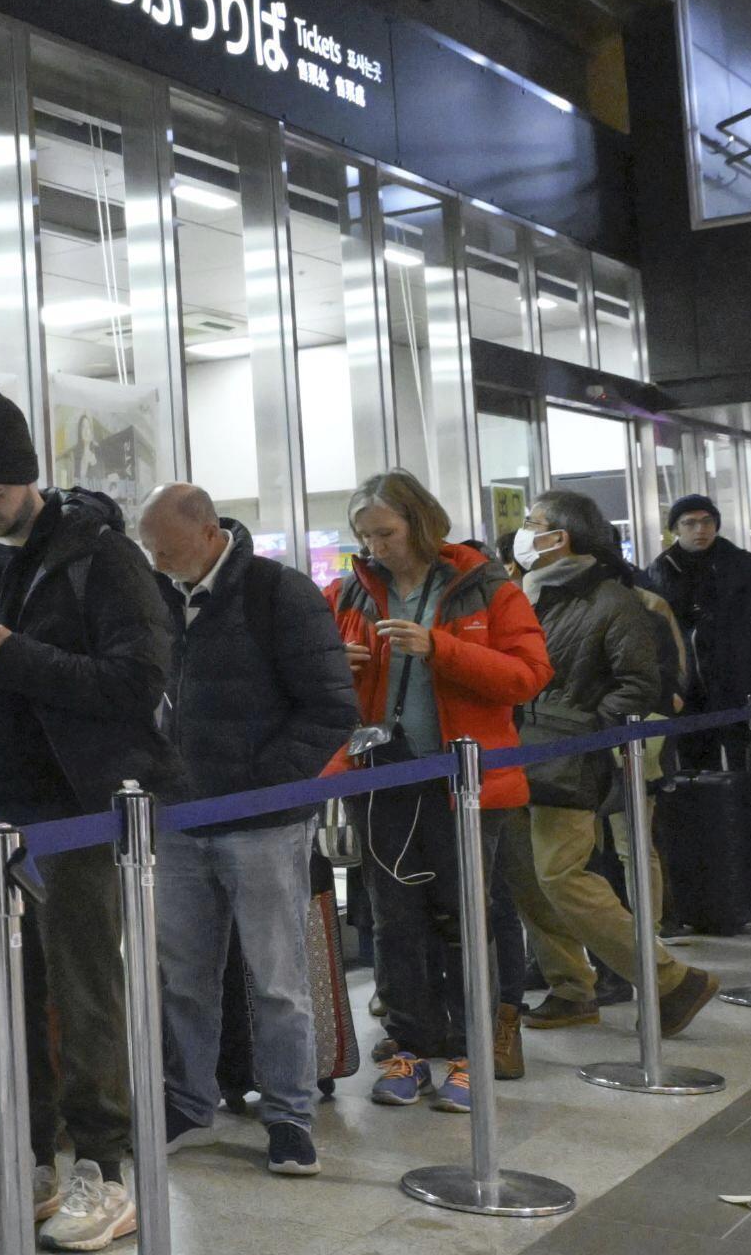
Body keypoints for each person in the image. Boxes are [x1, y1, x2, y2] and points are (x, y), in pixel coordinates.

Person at [0, 388, 180, 1250]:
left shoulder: (101, 554)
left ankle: (107, 1168)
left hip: (78, 810)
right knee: (1, 1001)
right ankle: (29, 1161)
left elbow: (137, 681)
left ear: (31, 479)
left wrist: (13, 656)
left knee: (88, 993)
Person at [136, 484, 354, 1176]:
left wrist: (265, 782)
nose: (157, 558)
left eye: (166, 545)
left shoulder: (278, 593)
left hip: (264, 824)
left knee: (277, 981)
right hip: (178, 821)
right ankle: (187, 1099)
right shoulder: (157, 595)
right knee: (184, 977)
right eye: (150, 546)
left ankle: (290, 1115)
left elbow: (330, 707)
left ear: (207, 531)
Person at [334, 470, 552, 1112]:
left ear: (421, 524)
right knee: (393, 919)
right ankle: (409, 1046)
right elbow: (314, 681)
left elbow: (529, 676)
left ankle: (469, 1050)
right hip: (383, 779)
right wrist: (333, 667)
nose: (376, 547)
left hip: (466, 782)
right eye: (365, 535)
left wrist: (440, 649)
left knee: (468, 915)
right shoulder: (349, 590)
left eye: (387, 532)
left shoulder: (486, 587)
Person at [512, 491, 719, 1039]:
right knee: (528, 880)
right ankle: (571, 988)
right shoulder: (523, 594)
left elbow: (641, 684)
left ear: (563, 536)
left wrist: (581, 727)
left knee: (562, 874)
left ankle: (671, 980)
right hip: (516, 753)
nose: (523, 531)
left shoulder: (613, 599)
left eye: (533, 523)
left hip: (569, 758)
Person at [652, 495, 751, 765]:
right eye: (689, 523)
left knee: (750, 767)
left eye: (707, 521)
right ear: (675, 529)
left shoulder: (748, 568)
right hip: (687, 691)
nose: (700, 529)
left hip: (739, 686)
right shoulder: (659, 572)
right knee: (696, 774)